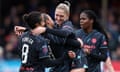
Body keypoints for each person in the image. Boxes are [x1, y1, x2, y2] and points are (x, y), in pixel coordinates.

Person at [15, 1, 87, 72]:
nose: (58, 18)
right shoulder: (54, 26)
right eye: (56, 15)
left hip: (76, 60)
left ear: (67, 17)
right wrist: (27, 30)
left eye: (61, 16)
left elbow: (63, 35)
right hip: (62, 63)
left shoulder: (67, 24)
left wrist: (45, 30)